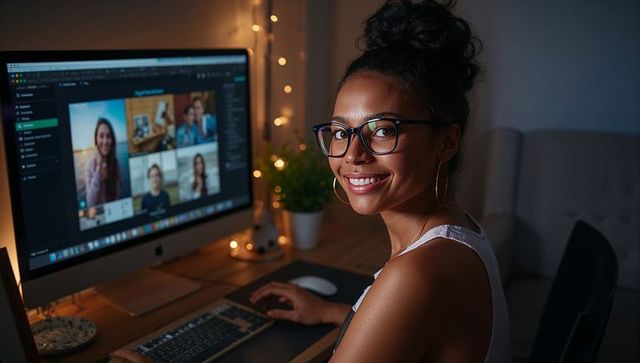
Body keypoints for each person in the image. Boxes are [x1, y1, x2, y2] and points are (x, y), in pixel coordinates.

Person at [110, 1, 510, 362]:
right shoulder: (459, 232)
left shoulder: (416, 274)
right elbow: (419, 327)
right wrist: (336, 313)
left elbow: (413, 301)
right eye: (340, 131)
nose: (353, 155)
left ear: (447, 141)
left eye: (383, 130)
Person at [85, 117, 120, 207]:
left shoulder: (115, 163)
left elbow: (117, 196)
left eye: (108, 136)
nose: (105, 141)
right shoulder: (90, 165)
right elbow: (90, 203)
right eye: (101, 136)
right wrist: (98, 168)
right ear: (96, 139)